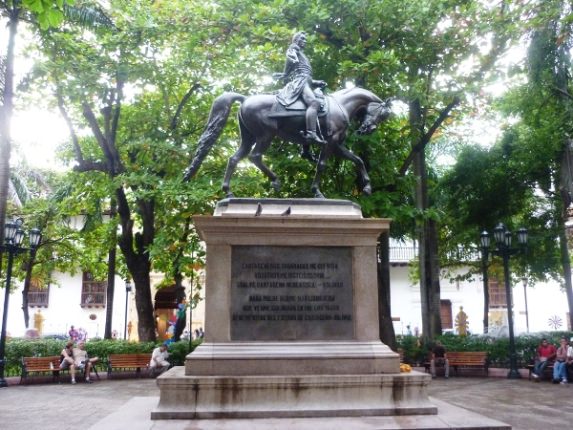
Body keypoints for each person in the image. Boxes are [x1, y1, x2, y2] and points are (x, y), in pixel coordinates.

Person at [276, 31, 327, 145]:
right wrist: (285, 72)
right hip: (301, 82)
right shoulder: (294, 47)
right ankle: (311, 133)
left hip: (305, 81)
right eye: (302, 39)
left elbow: (304, 73)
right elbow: (290, 56)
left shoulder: (302, 54)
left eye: (305, 40)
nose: (304, 41)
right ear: (296, 40)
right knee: (314, 103)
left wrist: (316, 82)